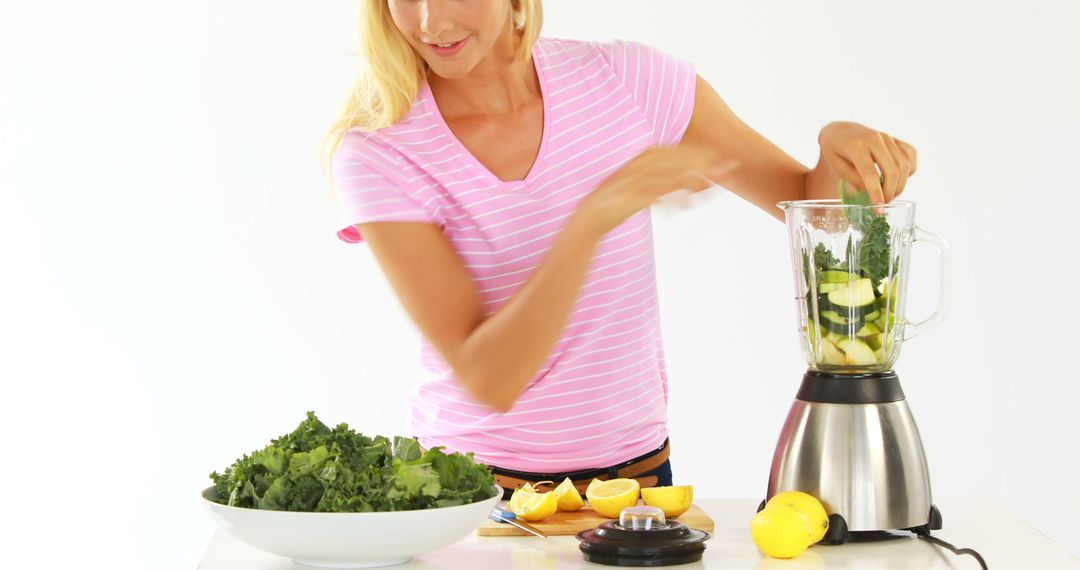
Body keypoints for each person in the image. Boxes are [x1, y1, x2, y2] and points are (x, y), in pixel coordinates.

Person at [321, 0, 917, 497]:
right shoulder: (382, 150)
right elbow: (491, 377)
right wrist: (594, 219)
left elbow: (809, 206)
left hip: (638, 483)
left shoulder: (626, 80)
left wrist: (838, 152)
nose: (431, 22)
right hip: (469, 497)